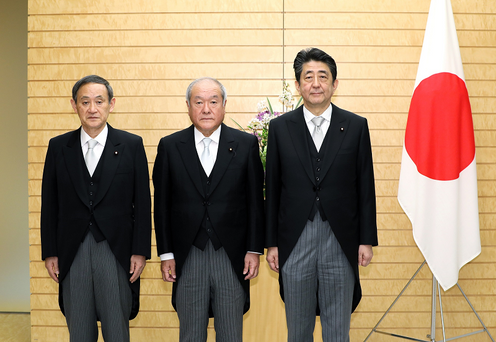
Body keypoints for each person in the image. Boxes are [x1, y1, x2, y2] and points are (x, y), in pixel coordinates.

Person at [265, 48, 378, 341]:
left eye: (323, 77)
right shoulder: (279, 128)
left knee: (338, 327)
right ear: (298, 84)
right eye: (308, 77)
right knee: (298, 328)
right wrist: (272, 243)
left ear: (334, 84)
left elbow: (365, 186)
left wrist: (366, 239)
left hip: (340, 239)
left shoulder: (355, 126)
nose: (316, 83)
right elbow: (273, 188)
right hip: (294, 239)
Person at [153, 77, 265, 342]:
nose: (206, 109)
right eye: (199, 102)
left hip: (232, 255)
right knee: (190, 334)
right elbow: (162, 205)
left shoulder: (245, 145)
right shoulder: (170, 146)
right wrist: (166, 253)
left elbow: (255, 203)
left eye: (213, 102)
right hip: (187, 256)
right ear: (188, 107)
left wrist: (253, 249)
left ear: (224, 106)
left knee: (230, 334)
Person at [41, 75, 152, 342]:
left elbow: (143, 202)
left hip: (116, 252)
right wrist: (50, 252)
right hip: (72, 251)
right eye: (85, 102)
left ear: (111, 104)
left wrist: (140, 251)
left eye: (99, 101)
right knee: (79, 332)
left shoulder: (131, 145)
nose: (93, 108)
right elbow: (49, 204)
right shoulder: (58, 147)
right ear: (74, 105)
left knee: (117, 331)